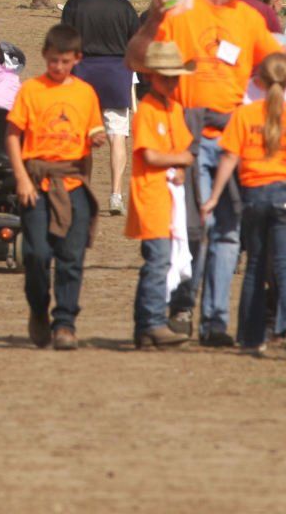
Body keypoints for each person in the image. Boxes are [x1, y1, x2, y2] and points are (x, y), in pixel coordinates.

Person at [127, 0, 286, 347]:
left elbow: (280, 69)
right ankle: (182, 306)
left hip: (235, 137)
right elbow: (135, 59)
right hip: (188, 135)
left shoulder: (249, 19)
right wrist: (152, 21)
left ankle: (215, 323)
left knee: (227, 234)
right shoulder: (182, 11)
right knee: (192, 230)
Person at [200, 53, 286, 359]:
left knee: (255, 268)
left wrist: (213, 196)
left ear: (259, 79)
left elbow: (229, 158)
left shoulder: (245, 115)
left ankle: (251, 338)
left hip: (254, 197)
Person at [6, 25, 104, 350]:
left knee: (70, 256)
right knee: (36, 254)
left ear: (76, 59)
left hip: (73, 183)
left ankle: (65, 323)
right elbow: (12, 135)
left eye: (64, 61)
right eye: (52, 61)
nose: (57, 67)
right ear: (45, 56)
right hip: (36, 181)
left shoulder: (85, 94)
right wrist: (21, 178)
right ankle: (38, 309)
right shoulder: (31, 90)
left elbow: (92, 134)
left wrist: (97, 139)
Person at [126, 41, 195, 348]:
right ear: (151, 77)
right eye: (166, 77)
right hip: (151, 197)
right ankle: (152, 322)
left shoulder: (174, 108)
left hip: (170, 197)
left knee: (161, 261)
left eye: (175, 77)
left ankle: (146, 326)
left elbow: (183, 147)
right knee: (158, 262)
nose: (172, 82)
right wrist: (181, 161)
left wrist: (181, 164)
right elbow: (152, 156)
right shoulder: (148, 111)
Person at [60, 0, 138, 215]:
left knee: (82, 137)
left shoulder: (75, 5)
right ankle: (116, 194)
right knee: (118, 135)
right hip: (117, 74)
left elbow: (64, 42)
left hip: (83, 74)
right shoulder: (124, 7)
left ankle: (84, 193)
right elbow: (135, 44)